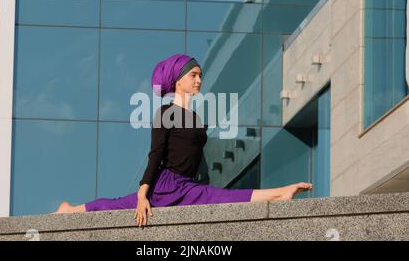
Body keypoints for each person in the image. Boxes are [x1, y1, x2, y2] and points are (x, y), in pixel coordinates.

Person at [55, 54, 312, 227]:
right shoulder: (165, 113)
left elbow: (197, 158)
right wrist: (143, 195)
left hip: (188, 185)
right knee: (116, 205)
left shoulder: (197, 118)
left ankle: (281, 193)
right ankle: (70, 209)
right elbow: (155, 155)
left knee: (221, 197)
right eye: (194, 76)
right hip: (164, 185)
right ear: (178, 81)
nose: (199, 80)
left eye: (200, 75)